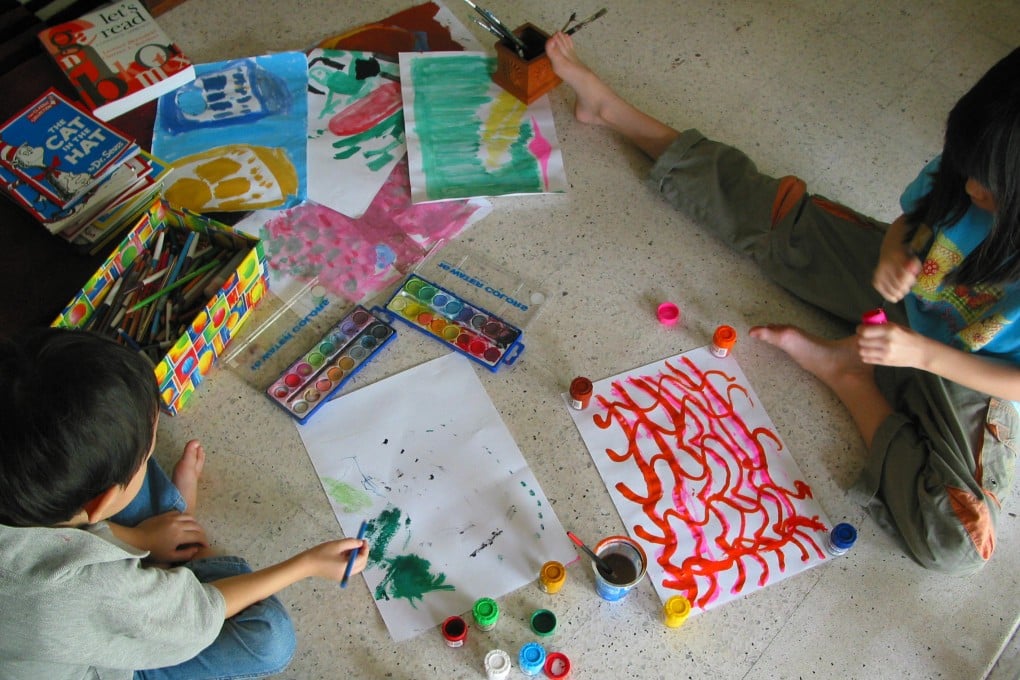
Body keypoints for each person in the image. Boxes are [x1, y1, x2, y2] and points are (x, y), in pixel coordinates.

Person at [545, 32, 1018, 576]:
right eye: (968, 168)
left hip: (966, 370)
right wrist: (893, 253)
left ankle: (851, 378)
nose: (974, 186)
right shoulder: (977, 160)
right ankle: (612, 112)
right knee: (779, 220)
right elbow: (914, 221)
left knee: (957, 542)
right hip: (907, 291)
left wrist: (923, 356)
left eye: (993, 190)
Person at [0, 327, 370, 679]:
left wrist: (140, 539)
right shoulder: (80, 590)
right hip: (94, 658)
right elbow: (200, 614)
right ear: (100, 503)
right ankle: (182, 540)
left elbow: (49, 543)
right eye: (148, 457)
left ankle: (167, 530)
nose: (150, 457)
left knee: (107, 448)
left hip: (43, 566)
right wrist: (307, 565)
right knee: (269, 639)